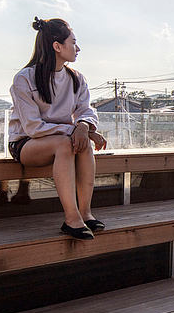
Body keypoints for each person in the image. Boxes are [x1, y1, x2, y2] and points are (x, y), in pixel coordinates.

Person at [8, 17, 107, 239]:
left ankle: (85, 213)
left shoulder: (76, 78)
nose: (78, 49)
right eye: (74, 42)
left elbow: (86, 110)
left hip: (62, 140)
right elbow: (33, 127)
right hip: (25, 144)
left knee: (82, 144)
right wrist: (76, 130)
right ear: (57, 46)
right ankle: (71, 219)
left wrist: (84, 126)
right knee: (67, 143)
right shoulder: (24, 78)